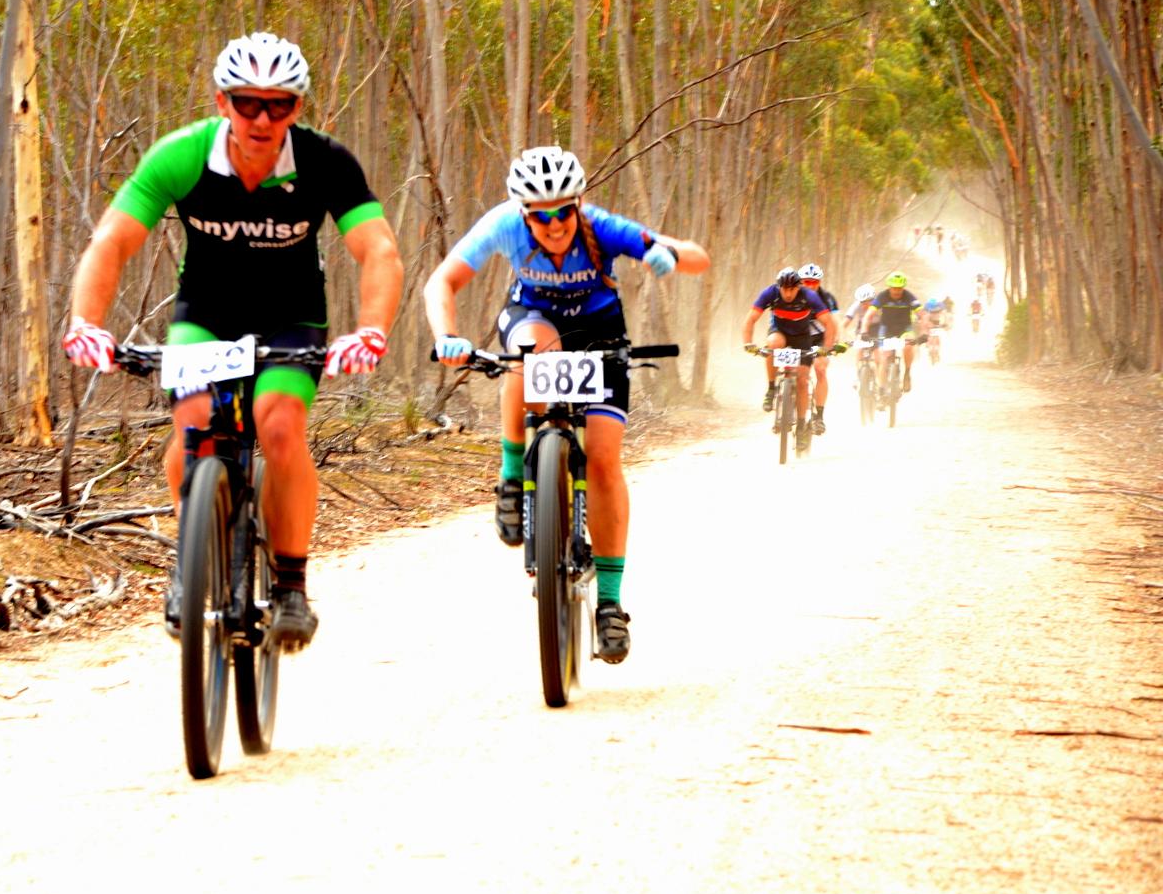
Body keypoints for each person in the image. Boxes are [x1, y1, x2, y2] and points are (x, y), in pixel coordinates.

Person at [63, 32, 404, 652]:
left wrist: (372, 330)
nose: (263, 118)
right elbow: (110, 242)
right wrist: (87, 322)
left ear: (297, 108)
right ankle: (191, 561)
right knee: (194, 421)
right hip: (208, 313)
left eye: (280, 104)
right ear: (224, 102)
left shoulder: (325, 160)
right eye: (248, 103)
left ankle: (292, 584)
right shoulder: (181, 156)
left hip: (291, 315)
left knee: (278, 426)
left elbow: (377, 248)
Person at [423, 146, 709, 664]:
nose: (553, 225)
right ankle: (513, 476)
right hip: (533, 316)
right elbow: (441, 281)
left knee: (603, 460)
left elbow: (698, 257)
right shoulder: (503, 226)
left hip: (600, 330)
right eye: (541, 215)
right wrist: (447, 335)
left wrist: (667, 254)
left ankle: (609, 605)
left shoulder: (603, 227)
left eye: (563, 212)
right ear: (523, 213)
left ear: (578, 205)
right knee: (531, 356)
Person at [742, 268, 839, 448]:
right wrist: (748, 343)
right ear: (778, 287)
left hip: (802, 338)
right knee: (772, 344)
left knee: (802, 379)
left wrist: (825, 348)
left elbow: (829, 323)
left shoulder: (809, 296)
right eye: (784, 289)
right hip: (780, 333)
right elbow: (750, 319)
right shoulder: (770, 293)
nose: (788, 293)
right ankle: (771, 389)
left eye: (792, 289)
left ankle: (801, 426)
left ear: (798, 287)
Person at [860, 271, 929, 395]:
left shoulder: (909, 297)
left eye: (899, 289)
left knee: (908, 346)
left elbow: (922, 315)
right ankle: (881, 389)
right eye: (894, 288)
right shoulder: (882, 296)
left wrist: (924, 333)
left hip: (904, 328)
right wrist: (864, 331)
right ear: (889, 287)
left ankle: (907, 372)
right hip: (886, 328)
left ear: (903, 288)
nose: (897, 291)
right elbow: (868, 315)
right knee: (884, 357)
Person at [797, 263, 839, 435]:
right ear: (800, 282)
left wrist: (834, 343)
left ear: (820, 282)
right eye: (807, 282)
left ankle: (819, 416)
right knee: (797, 372)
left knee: (820, 368)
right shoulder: (792, 295)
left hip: (821, 338)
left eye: (815, 282)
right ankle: (785, 394)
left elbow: (835, 322)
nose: (811, 285)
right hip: (798, 336)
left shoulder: (827, 298)